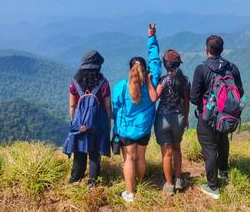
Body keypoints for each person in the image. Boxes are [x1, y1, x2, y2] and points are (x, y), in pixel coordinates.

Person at [112, 23, 161, 203]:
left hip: (126, 129)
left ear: (130, 68)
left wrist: (115, 128)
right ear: (146, 69)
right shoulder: (152, 80)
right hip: (144, 128)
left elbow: (115, 109)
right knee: (141, 157)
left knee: (129, 159)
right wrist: (151, 36)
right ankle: (140, 185)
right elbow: (155, 61)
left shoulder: (121, 87)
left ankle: (130, 193)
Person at [190, 35, 244, 199]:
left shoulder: (202, 69)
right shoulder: (232, 67)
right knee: (222, 141)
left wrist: (208, 106)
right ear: (222, 50)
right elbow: (240, 92)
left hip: (208, 117)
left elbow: (194, 98)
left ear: (207, 50)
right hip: (227, 116)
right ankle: (224, 171)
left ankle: (213, 187)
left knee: (209, 149)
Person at [63, 50, 112, 187]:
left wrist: (75, 122)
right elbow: (107, 106)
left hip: (80, 122)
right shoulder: (103, 83)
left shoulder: (74, 82)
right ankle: (93, 182)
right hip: (98, 121)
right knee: (95, 152)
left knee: (79, 150)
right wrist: (107, 122)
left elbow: (72, 105)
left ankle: (75, 178)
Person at [154, 49, 190, 196]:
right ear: (178, 64)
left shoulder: (162, 80)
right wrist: (186, 118)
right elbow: (186, 102)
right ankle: (179, 179)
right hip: (179, 118)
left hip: (163, 119)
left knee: (166, 154)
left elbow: (155, 97)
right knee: (177, 149)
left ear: (165, 64)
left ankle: (169, 185)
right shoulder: (185, 80)